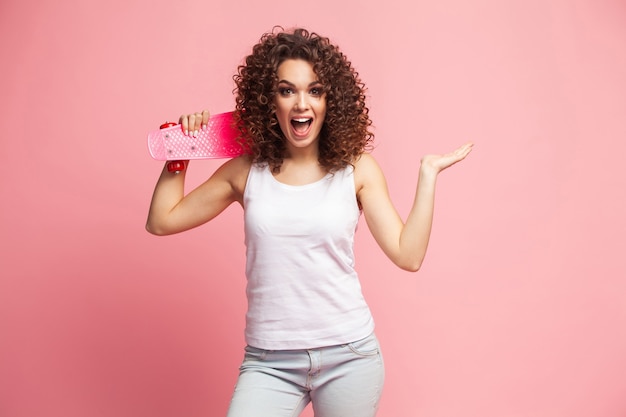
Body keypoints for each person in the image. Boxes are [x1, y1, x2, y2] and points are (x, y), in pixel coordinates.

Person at [146, 27, 472, 417]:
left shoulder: (357, 169)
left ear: (331, 100)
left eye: (314, 90)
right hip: (270, 362)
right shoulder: (246, 171)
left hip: (349, 356)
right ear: (270, 101)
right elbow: (162, 221)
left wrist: (428, 175)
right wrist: (180, 152)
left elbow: (408, 254)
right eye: (287, 91)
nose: (302, 104)